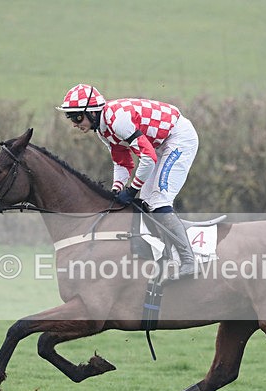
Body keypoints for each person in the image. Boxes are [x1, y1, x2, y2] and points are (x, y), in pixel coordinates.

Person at [56, 83, 199, 280]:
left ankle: (188, 260)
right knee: (148, 202)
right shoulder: (102, 130)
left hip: (178, 138)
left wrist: (131, 190)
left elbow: (148, 158)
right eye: (70, 117)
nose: (74, 123)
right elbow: (122, 162)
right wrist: (117, 189)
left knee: (158, 201)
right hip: (160, 143)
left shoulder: (118, 121)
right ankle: (166, 254)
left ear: (92, 112)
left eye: (77, 116)